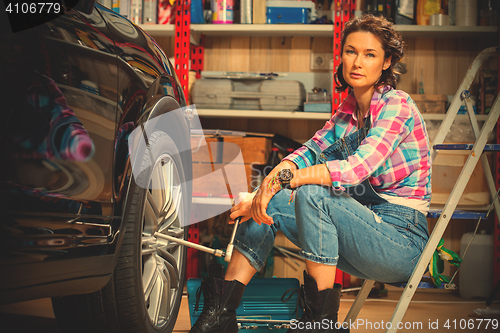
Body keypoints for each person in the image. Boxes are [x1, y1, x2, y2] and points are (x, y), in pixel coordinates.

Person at [189, 14, 431, 333]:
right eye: (350, 51)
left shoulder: (396, 105)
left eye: (369, 54)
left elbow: (355, 168)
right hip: (364, 230)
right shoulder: (347, 113)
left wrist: (285, 181)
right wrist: (264, 192)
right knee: (268, 202)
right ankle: (222, 312)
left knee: (312, 192)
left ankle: (319, 324)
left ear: (387, 62)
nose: (357, 62)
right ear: (341, 55)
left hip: (400, 241)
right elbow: (305, 154)